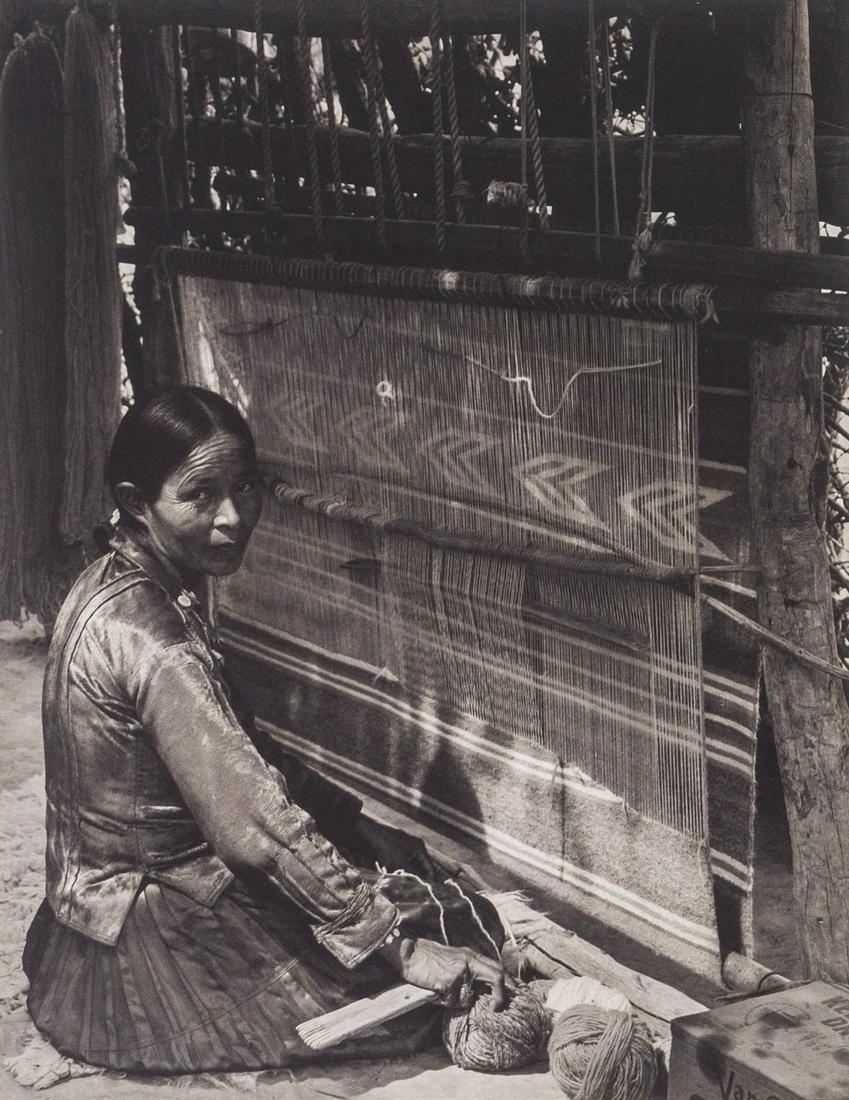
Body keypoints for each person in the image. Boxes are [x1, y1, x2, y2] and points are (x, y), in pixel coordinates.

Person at [23, 386, 508, 1075]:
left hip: (88, 918)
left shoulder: (112, 582)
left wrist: (353, 823)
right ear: (136, 502)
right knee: (443, 962)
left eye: (245, 487)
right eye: (200, 495)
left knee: (401, 886)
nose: (232, 516)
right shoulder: (157, 641)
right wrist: (398, 947)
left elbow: (244, 750)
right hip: (143, 955)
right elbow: (253, 827)